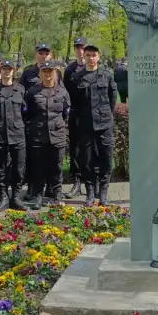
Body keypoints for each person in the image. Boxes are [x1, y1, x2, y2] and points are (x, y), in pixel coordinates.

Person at [73, 44, 118, 205]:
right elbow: (75, 102)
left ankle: (103, 192)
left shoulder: (107, 76)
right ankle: (90, 193)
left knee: (106, 158)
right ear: (84, 57)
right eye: (88, 55)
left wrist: (104, 114)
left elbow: (112, 98)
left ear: (99, 57)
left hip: (104, 124)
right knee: (87, 160)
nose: (91, 58)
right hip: (86, 125)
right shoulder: (77, 77)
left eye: (94, 55)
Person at [24, 61, 71, 208]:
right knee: (38, 167)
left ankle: (56, 195)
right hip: (38, 135)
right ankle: (38, 196)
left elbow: (66, 113)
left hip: (57, 135)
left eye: (50, 71)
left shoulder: (62, 92)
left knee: (57, 167)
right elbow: (27, 113)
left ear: (55, 73)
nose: (47, 74)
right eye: (44, 71)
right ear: (40, 73)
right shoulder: (32, 92)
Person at [0, 58, 27, 211]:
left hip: (17, 134)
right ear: (0, 70)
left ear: (13, 71)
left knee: (19, 168)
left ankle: (16, 197)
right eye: (4, 68)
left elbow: (26, 112)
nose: (6, 71)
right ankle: (3, 197)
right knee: (0, 169)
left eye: (9, 69)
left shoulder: (21, 90)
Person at [64, 37, 88, 198]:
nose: (80, 50)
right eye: (77, 47)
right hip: (75, 115)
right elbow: (65, 93)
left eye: (82, 47)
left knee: (92, 150)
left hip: (91, 116)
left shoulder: (94, 68)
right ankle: (77, 182)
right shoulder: (69, 70)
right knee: (76, 150)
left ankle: (93, 183)